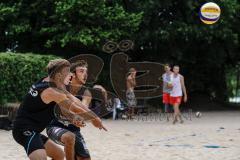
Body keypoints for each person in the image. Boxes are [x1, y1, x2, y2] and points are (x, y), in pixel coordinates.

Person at [12, 59, 105, 160]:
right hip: (24, 130)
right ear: (59, 75)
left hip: (34, 131)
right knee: (41, 158)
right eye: (67, 72)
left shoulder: (49, 82)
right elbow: (74, 107)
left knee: (59, 155)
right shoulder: (51, 91)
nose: (70, 75)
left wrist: (76, 117)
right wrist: (94, 119)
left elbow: (72, 99)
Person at [47, 60, 107, 160]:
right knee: (68, 139)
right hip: (54, 126)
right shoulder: (61, 87)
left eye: (86, 72)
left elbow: (82, 109)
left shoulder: (86, 92)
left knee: (85, 158)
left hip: (74, 130)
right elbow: (66, 110)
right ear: (72, 74)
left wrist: (88, 118)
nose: (85, 74)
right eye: (81, 71)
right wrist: (93, 118)